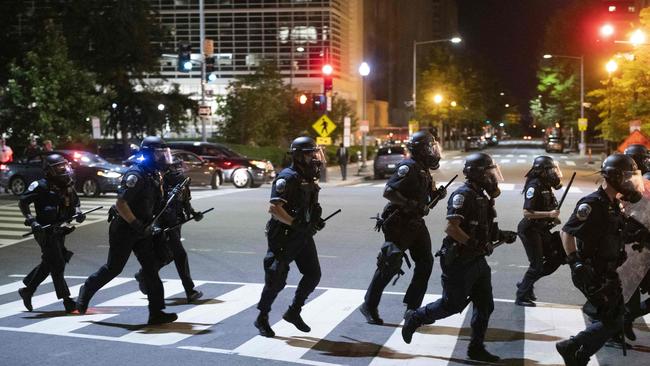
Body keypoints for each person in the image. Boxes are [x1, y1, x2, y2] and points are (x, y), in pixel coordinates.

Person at [401, 152, 517, 363]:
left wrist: (503, 235)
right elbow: (451, 227)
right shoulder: (463, 195)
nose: (493, 177)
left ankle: (476, 347)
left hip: (477, 260)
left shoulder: (482, 196)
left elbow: (485, 230)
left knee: (485, 305)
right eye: (490, 172)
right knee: (451, 305)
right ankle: (415, 317)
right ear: (479, 174)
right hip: (459, 261)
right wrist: (474, 243)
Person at [76, 136, 177, 325]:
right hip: (124, 228)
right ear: (148, 154)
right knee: (113, 268)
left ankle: (156, 312)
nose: (163, 158)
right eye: (159, 154)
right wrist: (136, 224)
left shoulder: (154, 174)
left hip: (143, 229)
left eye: (164, 154)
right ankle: (86, 291)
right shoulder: (136, 175)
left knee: (150, 271)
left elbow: (156, 203)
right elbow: (120, 204)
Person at [555, 154, 644, 365]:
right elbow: (566, 233)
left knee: (616, 317)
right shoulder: (592, 204)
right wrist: (575, 262)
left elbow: (615, 233)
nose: (630, 182)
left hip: (609, 270)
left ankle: (579, 355)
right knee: (612, 320)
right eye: (626, 177)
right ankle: (571, 346)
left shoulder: (614, 204)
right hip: (591, 270)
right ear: (613, 177)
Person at [360, 131, 445, 325]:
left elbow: (425, 198)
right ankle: (369, 305)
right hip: (399, 222)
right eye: (430, 147)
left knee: (425, 263)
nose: (433, 151)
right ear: (422, 150)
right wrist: (413, 205)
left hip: (416, 222)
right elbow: (389, 192)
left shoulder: (423, 169)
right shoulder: (408, 167)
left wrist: (436, 195)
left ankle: (412, 310)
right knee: (389, 265)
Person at [254, 136, 326, 338]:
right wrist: (295, 223)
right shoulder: (288, 177)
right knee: (276, 279)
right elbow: (275, 208)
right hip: (284, 235)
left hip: (302, 234)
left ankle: (294, 311)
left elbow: (310, 205)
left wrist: (314, 221)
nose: (314, 157)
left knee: (313, 274)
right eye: (310, 153)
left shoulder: (309, 177)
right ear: (299, 156)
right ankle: (262, 317)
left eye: (314, 153)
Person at [18, 154, 82, 313]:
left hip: (60, 229)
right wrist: (32, 220)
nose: (63, 169)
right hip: (44, 231)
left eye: (64, 166)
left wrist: (79, 213)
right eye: (59, 167)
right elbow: (23, 203)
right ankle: (67, 301)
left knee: (50, 263)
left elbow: (76, 202)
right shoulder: (39, 186)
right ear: (49, 170)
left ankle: (28, 290)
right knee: (58, 264)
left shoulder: (67, 184)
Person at [134, 158, 204, 303]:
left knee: (167, 256)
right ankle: (190, 291)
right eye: (176, 168)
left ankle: (144, 274)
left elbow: (185, 202)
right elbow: (159, 205)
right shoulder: (163, 183)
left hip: (177, 223)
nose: (179, 170)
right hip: (167, 225)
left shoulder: (183, 183)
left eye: (180, 168)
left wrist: (194, 213)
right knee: (180, 255)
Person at [515, 156, 565, 307]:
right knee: (536, 265)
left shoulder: (545, 185)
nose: (554, 173)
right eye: (551, 170)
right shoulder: (534, 186)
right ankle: (522, 295)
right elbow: (527, 213)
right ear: (542, 171)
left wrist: (551, 219)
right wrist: (549, 215)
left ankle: (526, 283)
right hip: (530, 229)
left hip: (542, 229)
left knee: (556, 258)